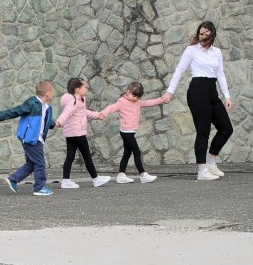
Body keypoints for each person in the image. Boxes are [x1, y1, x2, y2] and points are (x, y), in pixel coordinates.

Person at [162, 20, 234, 181]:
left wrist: (227, 95)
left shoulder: (217, 52)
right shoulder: (191, 50)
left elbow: (220, 73)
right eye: (200, 34)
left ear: (212, 35)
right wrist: (170, 92)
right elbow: (180, 70)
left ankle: (211, 160)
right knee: (203, 132)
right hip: (197, 91)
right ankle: (202, 170)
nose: (202, 36)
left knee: (226, 129)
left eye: (206, 34)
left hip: (212, 91)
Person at [0, 81, 58, 196]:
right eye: (52, 92)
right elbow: (16, 110)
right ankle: (39, 188)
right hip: (31, 139)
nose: (53, 94)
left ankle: (13, 179)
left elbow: (44, 120)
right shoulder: (32, 103)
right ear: (48, 93)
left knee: (32, 163)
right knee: (40, 163)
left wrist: (54, 124)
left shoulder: (44, 107)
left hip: (36, 139)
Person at [98, 82, 166, 183]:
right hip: (126, 132)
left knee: (127, 153)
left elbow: (148, 102)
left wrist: (161, 100)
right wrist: (102, 114)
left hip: (130, 131)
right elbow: (111, 107)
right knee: (136, 152)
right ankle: (142, 174)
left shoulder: (137, 102)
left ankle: (121, 175)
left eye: (138, 96)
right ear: (128, 91)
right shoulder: (122, 102)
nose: (135, 98)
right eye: (134, 95)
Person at [55, 78, 111, 190]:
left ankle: (65, 181)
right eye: (85, 87)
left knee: (70, 157)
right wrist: (58, 122)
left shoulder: (78, 100)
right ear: (78, 90)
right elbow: (66, 113)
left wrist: (97, 115)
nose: (87, 88)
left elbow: (83, 112)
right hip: (78, 134)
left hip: (70, 134)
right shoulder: (74, 102)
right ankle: (96, 179)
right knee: (87, 157)